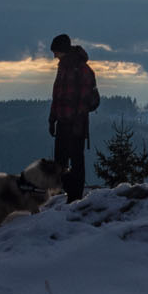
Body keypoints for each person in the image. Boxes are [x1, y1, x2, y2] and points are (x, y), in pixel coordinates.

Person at [48, 34, 99, 202]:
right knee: (60, 162)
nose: (54, 56)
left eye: (56, 52)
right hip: (63, 122)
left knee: (76, 160)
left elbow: (84, 101)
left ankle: (75, 196)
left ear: (63, 50)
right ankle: (69, 192)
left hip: (76, 123)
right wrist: (52, 118)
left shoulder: (82, 69)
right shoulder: (62, 68)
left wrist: (77, 122)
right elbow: (57, 95)